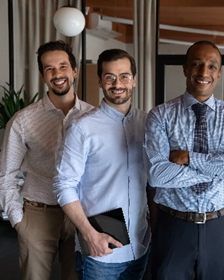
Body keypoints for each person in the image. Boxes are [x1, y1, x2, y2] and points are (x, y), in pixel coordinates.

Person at [144, 40, 224, 280]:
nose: (204, 72)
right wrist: (220, 169)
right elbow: (158, 174)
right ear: (185, 68)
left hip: (219, 225)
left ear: (219, 73)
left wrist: (189, 158)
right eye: (196, 64)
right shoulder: (160, 115)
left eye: (211, 66)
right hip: (173, 225)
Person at [53, 49, 151, 279]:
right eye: (110, 77)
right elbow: (63, 185)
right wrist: (89, 235)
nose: (118, 84)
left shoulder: (148, 123)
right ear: (100, 81)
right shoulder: (82, 128)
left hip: (142, 245)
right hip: (101, 250)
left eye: (125, 76)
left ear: (134, 80)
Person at [0, 40, 93, 280]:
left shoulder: (94, 117)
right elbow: (6, 175)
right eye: (49, 69)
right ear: (43, 76)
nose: (57, 74)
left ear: (74, 71)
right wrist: (18, 221)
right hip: (38, 215)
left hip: (81, 214)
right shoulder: (22, 121)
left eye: (62, 66)